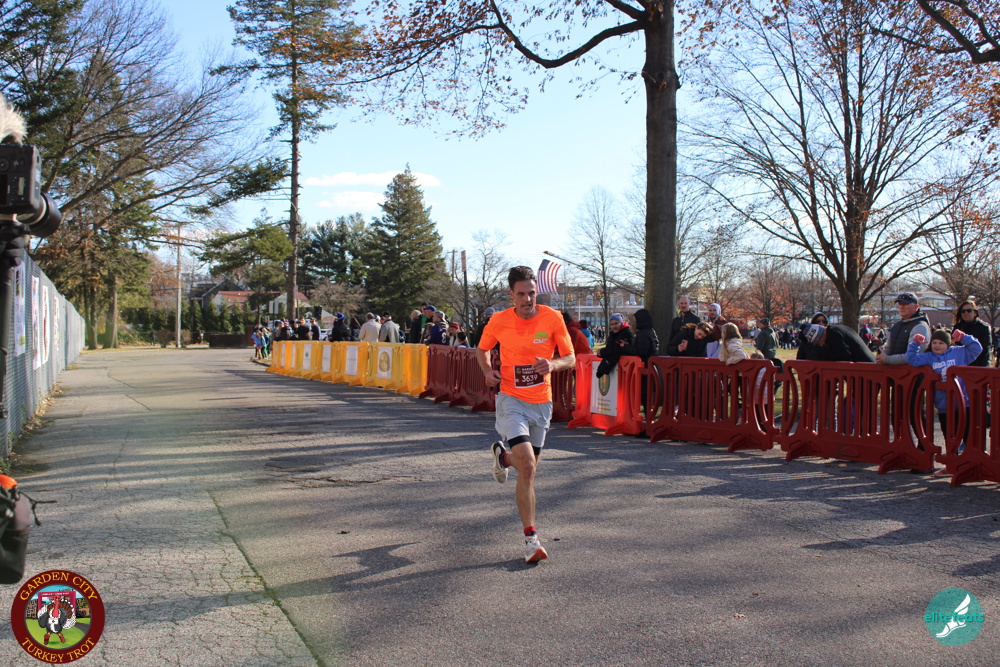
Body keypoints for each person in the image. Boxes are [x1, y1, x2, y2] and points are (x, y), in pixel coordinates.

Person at [478, 266, 574, 563]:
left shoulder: (552, 318)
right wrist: (488, 371)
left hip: (541, 402)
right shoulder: (499, 320)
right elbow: (482, 350)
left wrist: (553, 365)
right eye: (521, 294)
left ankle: (504, 458)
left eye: (532, 293)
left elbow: (570, 357)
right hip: (511, 399)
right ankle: (532, 540)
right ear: (512, 294)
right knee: (529, 466)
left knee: (527, 471)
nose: (528, 299)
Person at [906, 328, 982, 476]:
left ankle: (971, 465)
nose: (937, 346)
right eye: (934, 342)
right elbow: (912, 360)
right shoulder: (929, 357)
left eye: (941, 343)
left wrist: (964, 337)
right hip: (944, 405)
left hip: (963, 403)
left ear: (948, 344)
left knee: (968, 434)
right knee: (949, 436)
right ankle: (952, 465)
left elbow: (976, 348)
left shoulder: (959, 353)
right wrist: (915, 344)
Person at [877, 293, 931, 365]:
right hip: (892, 370)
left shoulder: (920, 327)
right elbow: (889, 349)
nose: (901, 307)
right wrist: (881, 356)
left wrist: (887, 359)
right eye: (900, 304)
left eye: (905, 304)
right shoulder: (897, 325)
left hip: (911, 371)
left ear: (916, 307)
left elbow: (914, 356)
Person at [800, 323, 876, 363]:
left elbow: (845, 359)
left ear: (819, 337)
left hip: (866, 371)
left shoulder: (833, 336)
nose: (820, 345)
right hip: (871, 365)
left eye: (817, 342)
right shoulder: (837, 329)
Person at [953, 300, 991, 367]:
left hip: (980, 365)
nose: (966, 313)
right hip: (962, 365)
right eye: (963, 311)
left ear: (975, 313)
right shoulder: (958, 328)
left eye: (969, 310)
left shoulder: (984, 328)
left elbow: (985, 350)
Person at [596, 313, 634, 378]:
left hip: (626, 369)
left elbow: (617, 350)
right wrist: (601, 352)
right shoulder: (612, 334)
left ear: (621, 323)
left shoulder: (627, 333)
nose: (614, 326)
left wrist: (602, 352)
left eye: (616, 323)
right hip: (616, 369)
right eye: (612, 324)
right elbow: (610, 347)